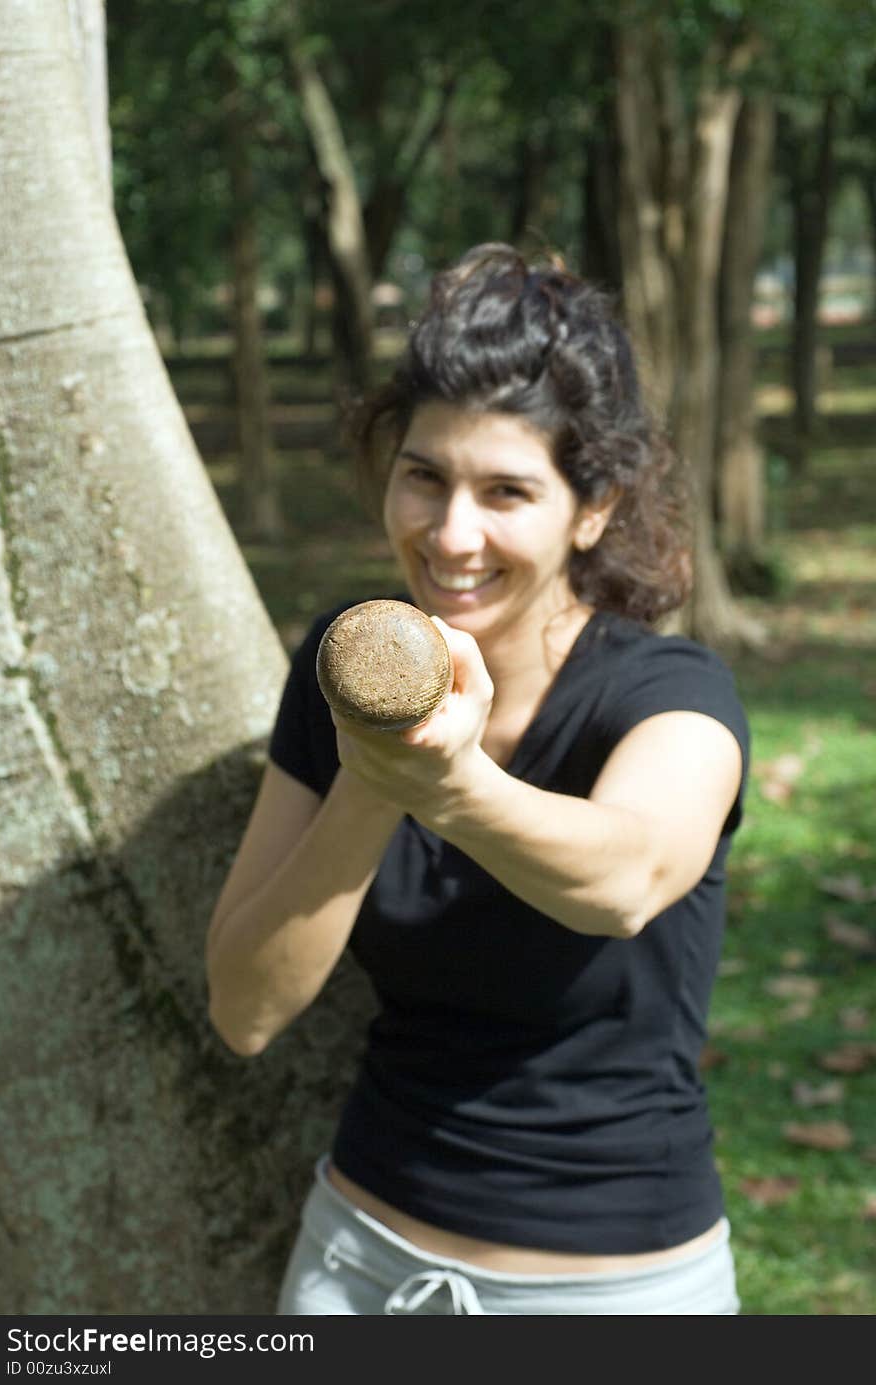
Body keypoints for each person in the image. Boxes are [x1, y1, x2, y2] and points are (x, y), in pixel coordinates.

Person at [205, 243, 749, 1315]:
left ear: (589, 510)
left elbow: (625, 879)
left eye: (506, 490)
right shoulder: (343, 670)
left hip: (613, 1289)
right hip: (354, 1264)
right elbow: (246, 1006)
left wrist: (446, 784)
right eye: (425, 477)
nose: (452, 534)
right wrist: (369, 777)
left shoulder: (668, 694)